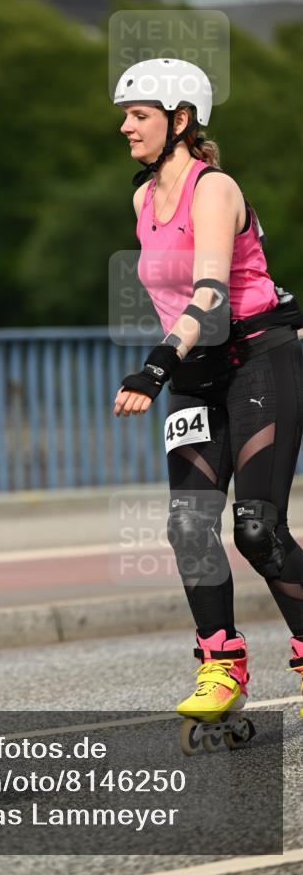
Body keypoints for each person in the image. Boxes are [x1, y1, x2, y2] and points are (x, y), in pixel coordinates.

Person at [111, 59, 303, 743]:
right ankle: (219, 662)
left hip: (257, 357)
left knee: (255, 526)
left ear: (180, 119)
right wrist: (174, 363)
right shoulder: (141, 200)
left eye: (138, 113)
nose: (124, 125)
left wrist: (153, 367)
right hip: (197, 370)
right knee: (189, 527)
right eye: (124, 113)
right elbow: (170, 299)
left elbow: (211, 296)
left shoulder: (213, 188)